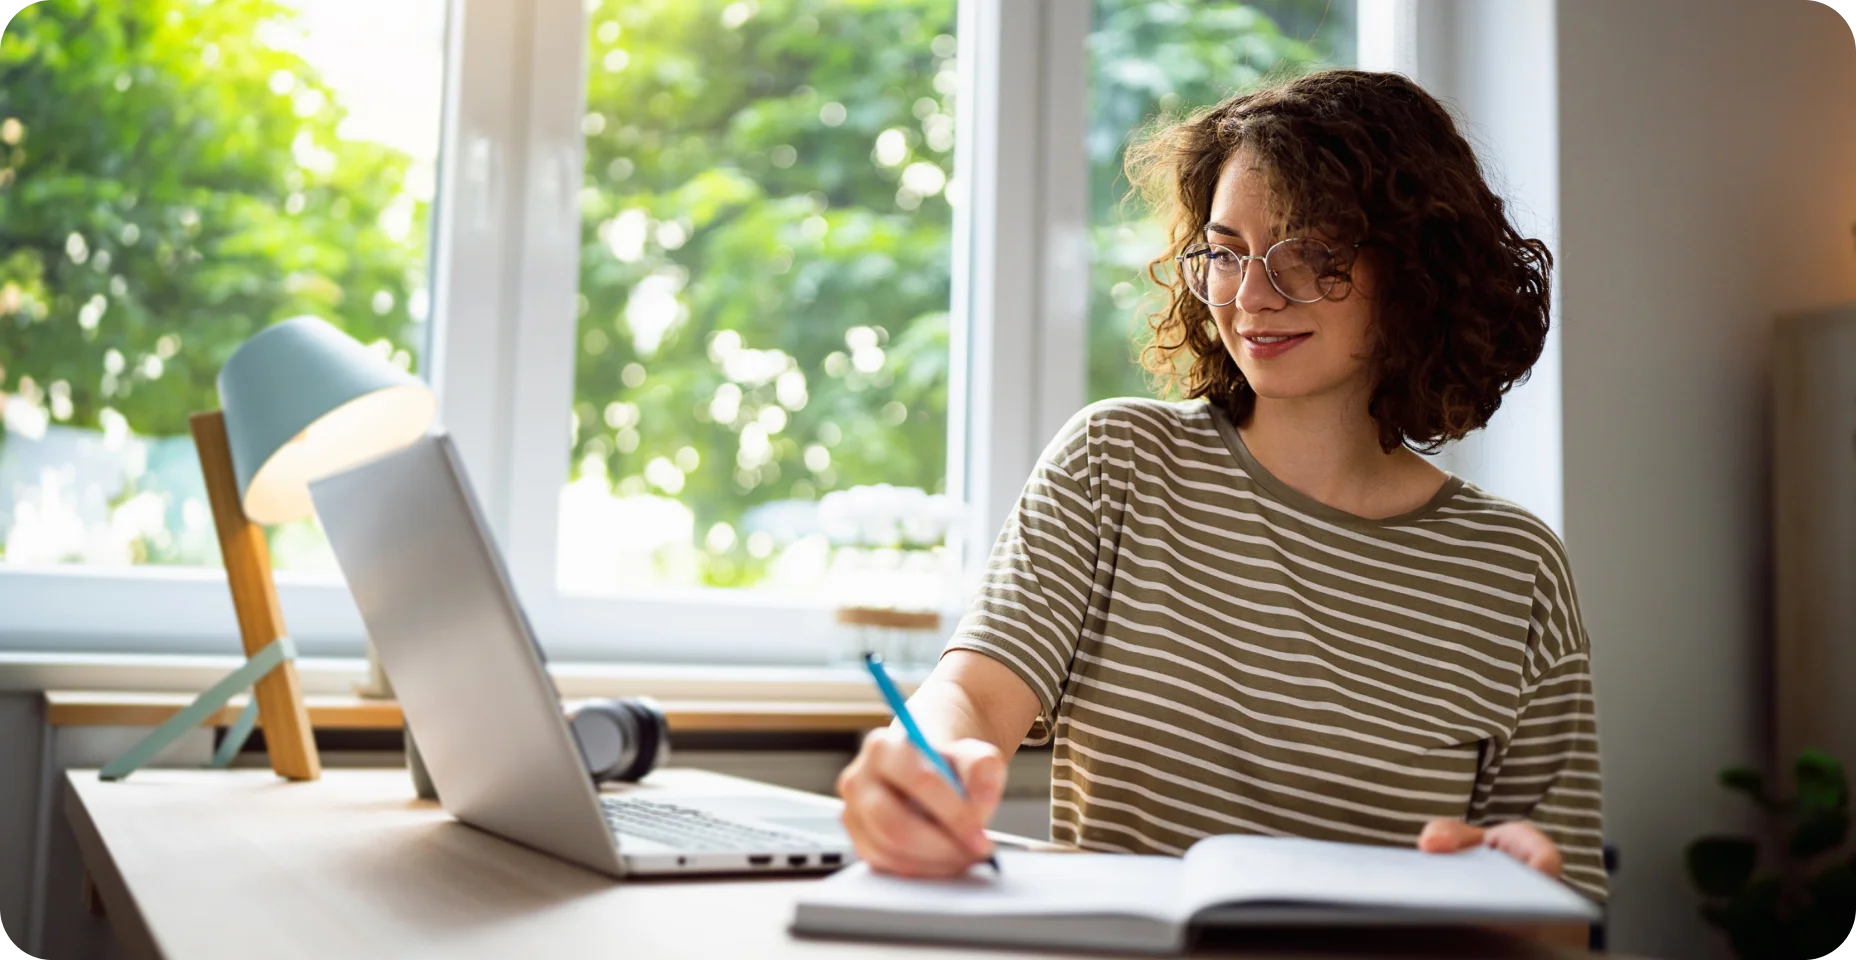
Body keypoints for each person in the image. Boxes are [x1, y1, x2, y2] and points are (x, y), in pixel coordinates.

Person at [834, 68, 1606, 942]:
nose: (1252, 297)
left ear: (1418, 269)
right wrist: (927, 761)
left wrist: (1513, 896)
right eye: (1227, 251)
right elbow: (972, 697)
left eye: (1313, 256)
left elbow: (1561, 916)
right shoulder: (1116, 465)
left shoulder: (1515, 570)